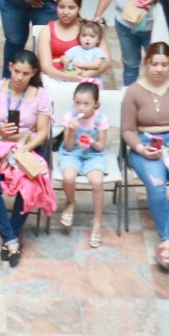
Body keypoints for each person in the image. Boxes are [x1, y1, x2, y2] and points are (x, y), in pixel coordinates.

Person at [0, 52, 55, 266]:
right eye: (16, 71)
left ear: (33, 73)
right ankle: (11, 239)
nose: (19, 77)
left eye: (25, 74)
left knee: (28, 187)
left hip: (25, 146)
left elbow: (42, 132)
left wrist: (24, 148)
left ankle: (9, 238)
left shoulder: (41, 96)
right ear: (10, 67)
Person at [56, 80, 111, 246]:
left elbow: (101, 146)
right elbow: (68, 146)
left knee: (97, 182)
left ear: (96, 104)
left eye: (86, 104)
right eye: (78, 103)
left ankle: (97, 222)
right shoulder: (70, 117)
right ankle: (71, 202)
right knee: (68, 177)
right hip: (72, 153)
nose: (81, 108)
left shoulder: (101, 118)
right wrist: (71, 131)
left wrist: (92, 141)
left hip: (93, 154)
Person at [34, 0, 92, 81]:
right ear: (56, 7)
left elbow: (104, 61)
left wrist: (83, 76)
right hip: (53, 80)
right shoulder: (47, 31)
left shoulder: (89, 27)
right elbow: (46, 67)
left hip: (84, 81)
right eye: (61, 7)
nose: (66, 12)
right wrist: (68, 77)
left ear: (79, 8)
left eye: (71, 8)